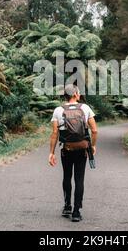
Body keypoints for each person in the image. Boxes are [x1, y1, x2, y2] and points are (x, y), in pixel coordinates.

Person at [49, 85, 98, 223]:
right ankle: (76, 212)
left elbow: (54, 134)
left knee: (67, 177)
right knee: (79, 179)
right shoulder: (85, 108)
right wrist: (93, 146)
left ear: (65, 95)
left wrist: (51, 153)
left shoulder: (58, 110)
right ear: (76, 94)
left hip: (67, 149)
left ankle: (67, 207)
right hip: (82, 149)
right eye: (79, 92)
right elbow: (94, 131)